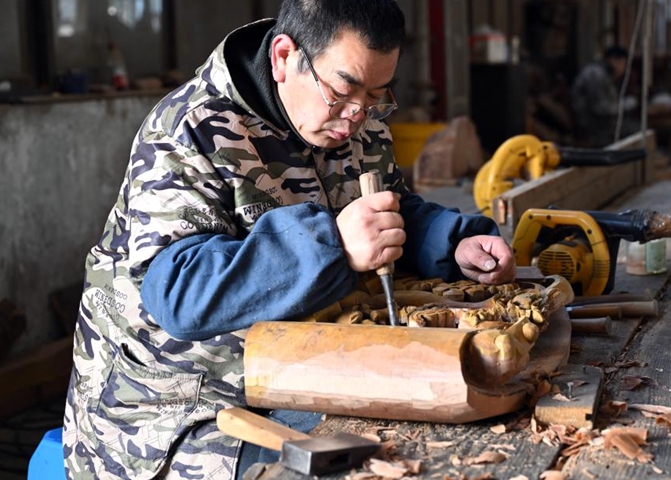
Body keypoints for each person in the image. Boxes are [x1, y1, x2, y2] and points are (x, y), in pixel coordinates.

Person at [62, 1, 516, 479]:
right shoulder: (188, 131)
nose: (356, 116)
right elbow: (179, 294)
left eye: (376, 94)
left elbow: (388, 210)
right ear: (283, 57)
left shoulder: (356, 118)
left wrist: (450, 243)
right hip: (179, 408)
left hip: (297, 369)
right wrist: (334, 244)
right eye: (342, 90)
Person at [571, 45, 639, 147]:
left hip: (600, 122)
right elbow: (600, 109)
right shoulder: (595, 75)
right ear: (613, 60)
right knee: (638, 130)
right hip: (592, 126)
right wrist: (625, 105)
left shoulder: (604, 74)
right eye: (623, 64)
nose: (624, 69)